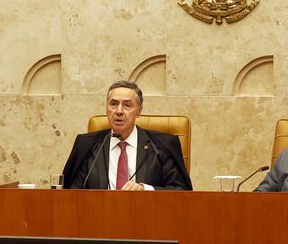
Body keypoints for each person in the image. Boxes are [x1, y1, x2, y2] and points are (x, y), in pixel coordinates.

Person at [61, 81, 192, 191]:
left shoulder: (162, 146)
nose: (119, 111)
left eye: (127, 105)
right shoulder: (87, 146)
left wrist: (145, 189)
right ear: (106, 108)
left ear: (139, 111)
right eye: (113, 104)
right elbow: (72, 193)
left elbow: (181, 192)